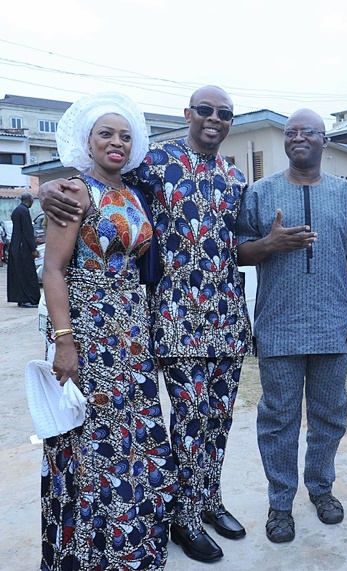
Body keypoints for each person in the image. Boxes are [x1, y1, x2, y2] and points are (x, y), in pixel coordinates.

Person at [39, 85, 251, 563]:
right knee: (138, 426)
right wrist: (50, 187)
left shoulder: (230, 178)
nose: (214, 118)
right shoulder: (152, 165)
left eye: (224, 113)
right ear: (188, 113)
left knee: (188, 424)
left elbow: (234, 242)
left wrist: (272, 245)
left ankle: (199, 504)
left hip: (177, 321)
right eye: (204, 109)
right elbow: (56, 259)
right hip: (153, 320)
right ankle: (169, 522)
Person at [40, 92, 176, 570]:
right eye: (106, 134)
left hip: (131, 330)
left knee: (134, 436)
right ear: (88, 141)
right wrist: (65, 341)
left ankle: (129, 549)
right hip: (88, 327)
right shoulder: (76, 191)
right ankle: (87, 555)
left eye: (125, 136)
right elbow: (53, 270)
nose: (116, 142)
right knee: (90, 440)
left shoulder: (133, 193)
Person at [237, 109, 347, 544]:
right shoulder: (261, 192)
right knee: (278, 419)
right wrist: (269, 244)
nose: (298, 138)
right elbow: (238, 252)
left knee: (330, 414)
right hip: (278, 325)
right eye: (291, 132)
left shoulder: (345, 194)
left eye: (307, 132)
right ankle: (280, 503)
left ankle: (321, 488)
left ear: (323, 140)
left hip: (333, 324)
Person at [7, 192, 41, 307]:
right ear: (30, 200)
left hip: (16, 245)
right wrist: (33, 248)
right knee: (28, 273)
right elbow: (27, 231)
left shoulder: (17, 210)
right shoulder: (24, 211)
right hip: (23, 247)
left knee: (19, 273)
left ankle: (21, 299)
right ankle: (29, 299)